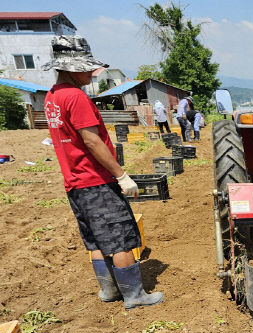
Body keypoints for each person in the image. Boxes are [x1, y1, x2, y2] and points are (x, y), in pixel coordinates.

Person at [42, 35, 163, 310]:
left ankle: (109, 290)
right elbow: (92, 140)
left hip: (74, 183)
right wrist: (121, 175)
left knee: (96, 238)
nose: (91, 72)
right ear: (72, 67)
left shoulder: (53, 96)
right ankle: (134, 296)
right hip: (95, 180)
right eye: (86, 68)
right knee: (120, 238)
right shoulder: (76, 97)